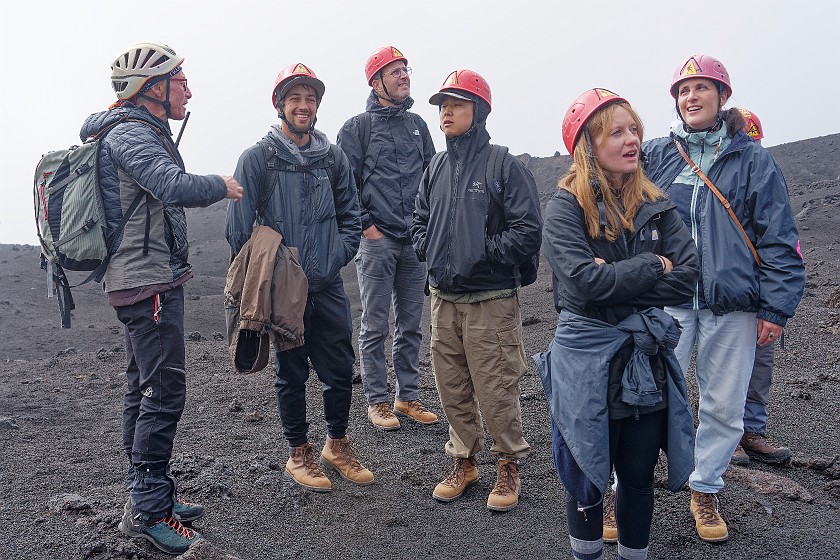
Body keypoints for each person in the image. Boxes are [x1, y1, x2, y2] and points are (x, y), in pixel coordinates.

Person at [87, 42, 243, 554]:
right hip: (147, 282)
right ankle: (147, 510)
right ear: (153, 89)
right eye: (181, 81)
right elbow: (172, 186)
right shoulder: (132, 134)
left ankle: (148, 493)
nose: (189, 91)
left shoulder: (135, 131)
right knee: (162, 392)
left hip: (145, 278)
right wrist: (222, 185)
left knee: (143, 388)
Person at [644, 55, 805, 542]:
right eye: (683, 90)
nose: (691, 97)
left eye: (702, 88)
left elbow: (778, 235)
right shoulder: (656, 153)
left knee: (723, 405)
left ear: (723, 97)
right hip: (667, 301)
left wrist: (775, 307)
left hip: (732, 304)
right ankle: (623, 486)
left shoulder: (753, 158)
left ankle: (706, 488)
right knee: (646, 395)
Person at [534, 88, 698, 560]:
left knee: (639, 475)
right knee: (586, 476)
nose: (631, 141)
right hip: (586, 360)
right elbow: (584, 284)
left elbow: (687, 279)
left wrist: (617, 276)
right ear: (588, 143)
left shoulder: (657, 204)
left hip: (644, 361)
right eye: (617, 132)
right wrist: (653, 266)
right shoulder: (565, 207)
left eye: (634, 131)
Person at [225, 63, 373, 494]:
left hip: (326, 282)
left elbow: (351, 212)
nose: (303, 106)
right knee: (290, 371)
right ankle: (298, 453)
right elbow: (238, 228)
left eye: (310, 99)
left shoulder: (333, 158)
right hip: (284, 286)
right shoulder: (258, 158)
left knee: (340, 367)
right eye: (295, 99)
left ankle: (337, 444)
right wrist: (263, 275)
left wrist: (339, 254)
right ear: (280, 105)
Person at [412, 69, 542, 512]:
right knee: (451, 386)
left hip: (491, 301)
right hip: (443, 299)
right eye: (442, 106)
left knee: (496, 387)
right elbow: (419, 219)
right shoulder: (436, 167)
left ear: (479, 111)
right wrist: (427, 248)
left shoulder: (504, 165)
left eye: (456, 104)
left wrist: (478, 253)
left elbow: (527, 231)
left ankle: (508, 465)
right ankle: (464, 462)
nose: (445, 112)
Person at [336, 46, 438, 431]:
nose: (403, 76)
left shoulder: (418, 126)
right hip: (376, 240)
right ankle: (377, 400)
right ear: (376, 82)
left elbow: (432, 178)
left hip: (414, 240)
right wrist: (367, 227)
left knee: (411, 323)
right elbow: (345, 186)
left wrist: (425, 227)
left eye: (405, 69)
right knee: (375, 323)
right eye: (394, 71)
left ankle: (407, 396)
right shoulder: (357, 127)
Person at [730, 108, 799, 465]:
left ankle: (751, 431)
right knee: (725, 369)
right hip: (730, 291)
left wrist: (778, 302)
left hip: (762, 291)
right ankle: (725, 437)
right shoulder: (722, 181)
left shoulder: (768, 176)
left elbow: (784, 240)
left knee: (760, 364)